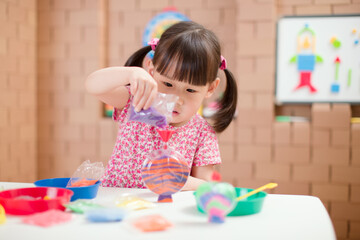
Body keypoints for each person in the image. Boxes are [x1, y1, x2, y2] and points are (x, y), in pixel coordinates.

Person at [85, 21, 237, 191]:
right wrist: (131, 73)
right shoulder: (138, 102)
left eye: (190, 90)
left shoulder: (202, 132)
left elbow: (207, 186)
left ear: (210, 88)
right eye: (168, 84)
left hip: (165, 212)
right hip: (117, 208)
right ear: (151, 71)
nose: (177, 99)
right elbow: (93, 85)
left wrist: (180, 179)